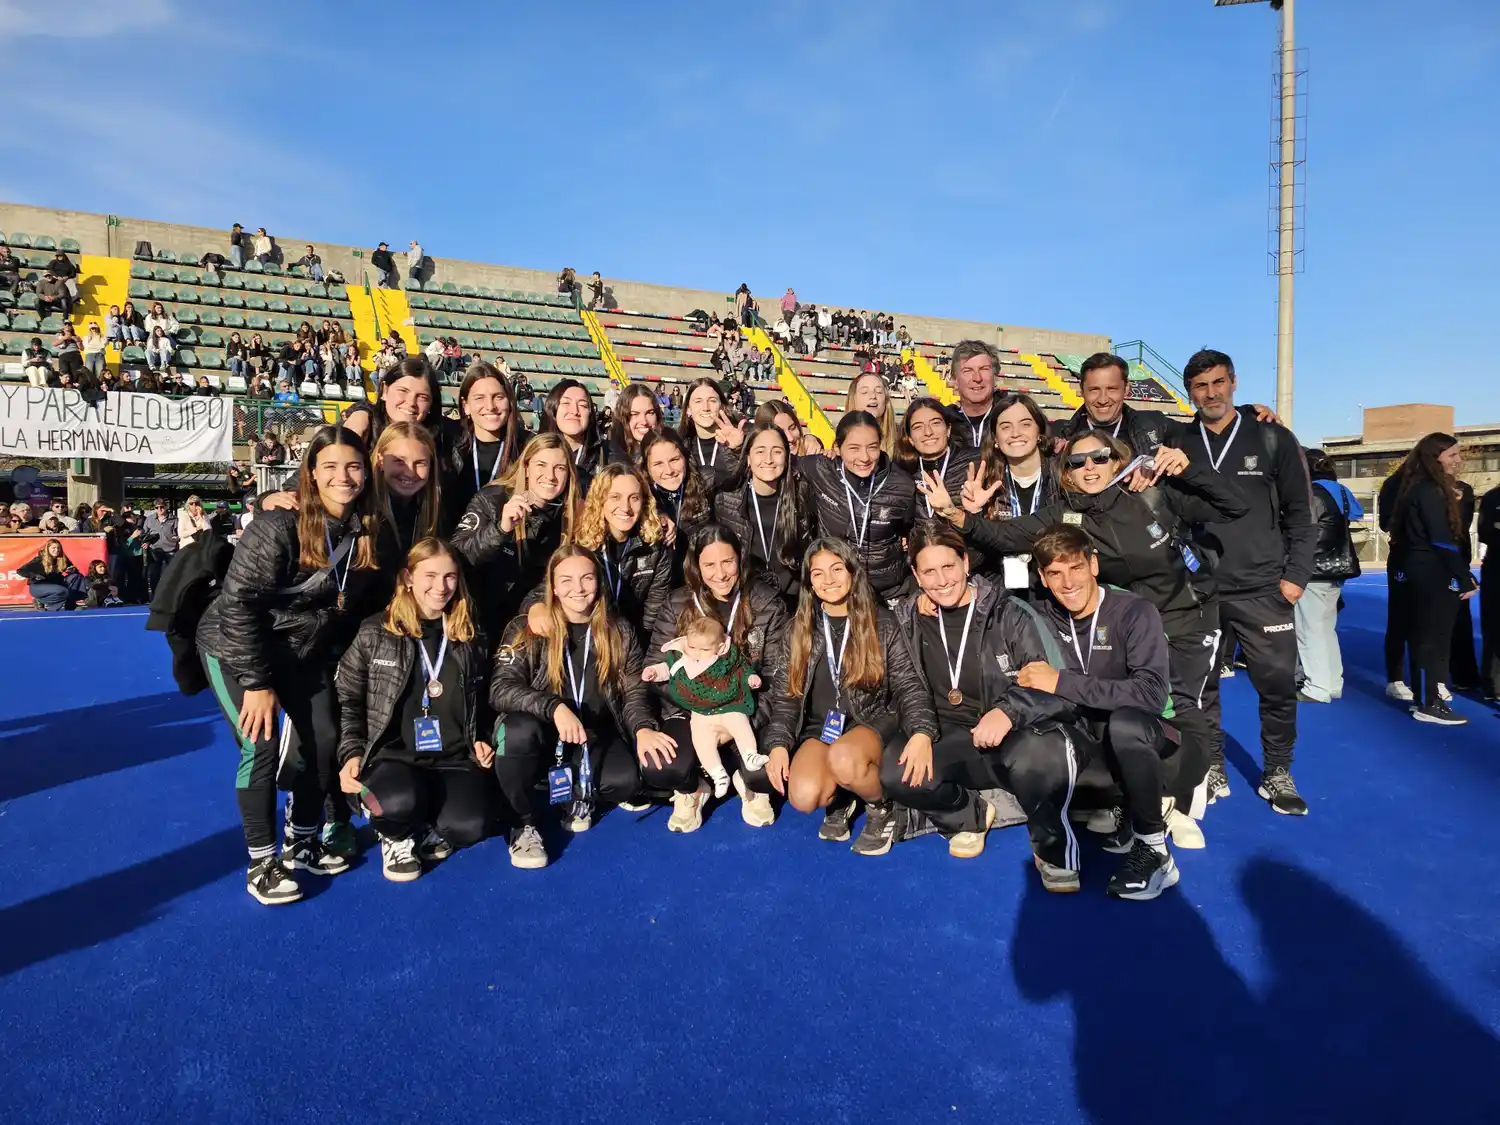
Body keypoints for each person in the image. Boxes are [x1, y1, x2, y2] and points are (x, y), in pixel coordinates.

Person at [937, 430, 1243, 844]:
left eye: (1099, 458)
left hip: (1185, 616)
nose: (1090, 468)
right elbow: (1007, 536)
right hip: (1121, 620)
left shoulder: (1153, 489)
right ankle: (1135, 796)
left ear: (1117, 459)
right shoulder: (1064, 514)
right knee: (1119, 712)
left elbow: (1235, 505)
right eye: (1078, 462)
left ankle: (1182, 794)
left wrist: (1192, 470)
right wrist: (960, 517)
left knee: (1180, 705)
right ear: (1066, 473)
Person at [196, 426, 388, 904]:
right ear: (311, 473)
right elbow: (239, 604)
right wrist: (259, 683)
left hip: (300, 652)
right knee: (259, 744)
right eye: (331, 466)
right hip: (235, 647)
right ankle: (262, 861)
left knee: (322, 738)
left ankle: (302, 838)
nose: (344, 476)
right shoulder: (278, 524)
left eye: (353, 466)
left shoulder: (364, 531)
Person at [889, 521, 1084, 868]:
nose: (942, 579)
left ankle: (1051, 848)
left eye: (949, 566)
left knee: (1044, 752)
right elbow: (905, 685)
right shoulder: (907, 618)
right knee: (896, 773)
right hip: (951, 736)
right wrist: (920, 733)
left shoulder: (1009, 612)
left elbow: (1058, 688)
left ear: (966, 564)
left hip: (1010, 736)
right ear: (917, 578)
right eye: (929, 572)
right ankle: (972, 813)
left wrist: (1008, 711)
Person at [1175, 349, 1314, 815]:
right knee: (1203, 685)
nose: (1210, 393)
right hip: (1200, 589)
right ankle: (1212, 764)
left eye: (1218, 383)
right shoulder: (1177, 441)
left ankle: (1277, 770)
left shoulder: (1271, 436)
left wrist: (1295, 577)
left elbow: (1300, 512)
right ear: (1189, 391)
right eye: (1200, 386)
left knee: (1275, 686)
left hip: (1263, 588)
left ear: (1234, 382)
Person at [1020, 524, 1183, 900]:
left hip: (1156, 736)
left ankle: (1154, 848)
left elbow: (1150, 695)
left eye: (1075, 567)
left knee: (1125, 722)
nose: (1067, 582)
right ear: (1043, 579)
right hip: (1094, 740)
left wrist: (1060, 682)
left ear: (1094, 565)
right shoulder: (1042, 618)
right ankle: (1121, 805)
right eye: (1055, 573)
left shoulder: (1135, 610)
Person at [489, 547, 673, 866]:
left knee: (626, 781)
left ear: (599, 583)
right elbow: (500, 688)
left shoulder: (618, 630)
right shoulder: (527, 627)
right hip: (541, 732)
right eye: (567, 580)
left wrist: (643, 728)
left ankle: (572, 788)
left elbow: (633, 691)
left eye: (587, 578)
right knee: (515, 732)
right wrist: (553, 707)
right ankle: (522, 822)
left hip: (590, 735)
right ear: (554, 587)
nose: (578, 588)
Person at [760, 537, 936, 855]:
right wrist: (778, 744)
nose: (829, 580)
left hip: (869, 720)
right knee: (804, 795)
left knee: (845, 759)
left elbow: (910, 684)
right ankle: (843, 796)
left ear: (853, 572)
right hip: (822, 727)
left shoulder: (881, 622)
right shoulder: (798, 629)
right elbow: (787, 696)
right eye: (818, 573)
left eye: (837, 569)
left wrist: (922, 732)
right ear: (809, 583)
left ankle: (881, 807)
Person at [336, 538, 493, 882]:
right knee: (391, 803)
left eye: (450, 577)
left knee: (471, 826)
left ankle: (430, 822)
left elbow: (484, 698)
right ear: (408, 577)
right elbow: (348, 698)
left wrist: (482, 737)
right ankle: (395, 835)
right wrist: (351, 751)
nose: (441, 587)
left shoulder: (471, 634)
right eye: (430, 575)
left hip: (451, 756)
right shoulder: (375, 631)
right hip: (393, 757)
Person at [644, 524, 788, 829]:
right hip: (691, 712)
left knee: (763, 772)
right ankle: (693, 789)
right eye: (709, 564)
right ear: (696, 566)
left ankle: (748, 783)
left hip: (747, 710)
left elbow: (779, 676)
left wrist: (741, 715)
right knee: (664, 766)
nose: (720, 573)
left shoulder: (767, 604)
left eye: (728, 562)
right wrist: (705, 709)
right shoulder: (677, 604)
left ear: (740, 560)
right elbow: (657, 669)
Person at [453, 432, 581, 640]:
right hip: (477, 621)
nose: (550, 476)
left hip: (527, 627)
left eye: (560, 468)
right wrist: (500, 529)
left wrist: (535, 603)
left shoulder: (571, 515)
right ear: (527, 467)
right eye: (541, 465)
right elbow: (457, 556)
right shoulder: (492, 499)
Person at [1388, 433, 1476, 725]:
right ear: (1434, 456)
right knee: (1431, 637)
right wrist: (1465, 577)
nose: (1457, 460)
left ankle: (1425, 699)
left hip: (1425, 568)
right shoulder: (1427, 490)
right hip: (1430, 571)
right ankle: (1429, 703)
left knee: (1427, 636)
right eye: (1452, 455)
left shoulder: (1422, 488)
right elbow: (1440, 539)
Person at [798, 410, 918, 606]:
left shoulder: (902, 485)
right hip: (834, 590)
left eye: (872, 447)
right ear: (837, 448)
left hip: (886, 592)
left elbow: (912, 530)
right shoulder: (821, 469)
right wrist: (810, 437)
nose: (864, 457)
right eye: (853, 448)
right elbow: (776, 461)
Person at [643, 615, 762, 798]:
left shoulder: (729, 658)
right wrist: (654, 672)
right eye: (691, 647)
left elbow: (743, 671)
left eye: (704, 649)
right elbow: (669, 668)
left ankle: (750, 755)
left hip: (729, 706)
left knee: (740, 724)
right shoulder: (682, 657)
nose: (696, 653)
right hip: (700, 713)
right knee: (701, 740)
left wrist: (751, 679)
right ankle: (717, 774)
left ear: (720, 647)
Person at [711, 421, 814, 607]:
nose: (768, 459)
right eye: (760, 451)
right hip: (746, 602)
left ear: (787, 457)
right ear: (748, 458)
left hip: (794, 604)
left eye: (777, 451)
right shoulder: (726, 501)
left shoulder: (803, 497)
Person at [1297, 448, 1362, 705]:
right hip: (1335, 569)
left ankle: (1317, 687)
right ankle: (1333, 683)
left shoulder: (1311, 494)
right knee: (1325, 629)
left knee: (1309, 631)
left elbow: (1308, 534)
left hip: (1313, 570)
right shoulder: (1340, 492)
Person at [444, 363, 528, 526]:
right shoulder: (446, 441)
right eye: (479, 398)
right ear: (465, 405)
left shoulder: (527, 447)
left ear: (509, 402)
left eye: (498, 397)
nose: (490, 406)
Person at [1053, 352, 1170, 454]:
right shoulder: (1057, 433)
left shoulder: (1157, 425)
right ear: (1082, 391)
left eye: (1111, 389)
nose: (1103, 400)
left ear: (1126, 389)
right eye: (1094, 389)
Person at [895, 397, 978, 519]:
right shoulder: (902, 472)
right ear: (910, 439)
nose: (928, 432)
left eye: (935, 423)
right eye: (918, 427)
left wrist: (978, 511)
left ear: (948, 430)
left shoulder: (975, 463)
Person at [373, 421, 442, 556]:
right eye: (400, 461)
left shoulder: (437, 508)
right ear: (381, 461)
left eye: (420, 463)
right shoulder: (364, 512)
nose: (410, 472)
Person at [539, 378, 607, 495]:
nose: (575, 411)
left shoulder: (608, 455)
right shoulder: (532, 452)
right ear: (553, 408)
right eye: (566, 403)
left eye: (582, 405)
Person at [677, 377, 745, 487]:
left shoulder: (740, 442)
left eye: (712, 400)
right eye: (698, 401)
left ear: (722, 406)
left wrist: (739, 450)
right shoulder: (679, 448)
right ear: (688, 409)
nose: (705, 407)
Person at [946, 340, 1003, 449]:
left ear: (995, 377)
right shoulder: (943, 423)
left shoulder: (1015, 419)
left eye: (984, 369)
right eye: (968, 371)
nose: (977, 378)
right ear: (955, 381)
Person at [1478, 482, 1500, 701]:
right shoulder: (1493, 497)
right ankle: (1493, 684)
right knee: (1494, 625)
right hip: (1496, 569)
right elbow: (1485, 533)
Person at [606, 383, 664, 464]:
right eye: (635, 414)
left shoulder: (672, 452)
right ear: (623, 417)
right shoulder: (607, 456)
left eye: (650, 413)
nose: (644, 421)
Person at [18, 538, 81, 611]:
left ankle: (70, 604)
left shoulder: (62, 558)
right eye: (53, 548)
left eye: (58, 548)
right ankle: (40, 601)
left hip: (55, 584)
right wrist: (34, 576)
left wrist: (72, 570)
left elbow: (74, 570)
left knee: (76, 577)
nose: (56, 550)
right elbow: (20, 571)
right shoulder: (39, 559)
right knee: (63, 591)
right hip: (39, 586)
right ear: (48, 549)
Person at [845, 372, 897, 457]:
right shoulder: (840, 440)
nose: (873, 396)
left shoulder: (902, 440)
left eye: (879, 392)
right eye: (865, 392)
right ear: (852, 398)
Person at [142, 497, 180, 594]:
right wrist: (146, 542)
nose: (159, 509)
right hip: (155, 550)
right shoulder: (149, 519)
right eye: (157, 507)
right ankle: (154, 596)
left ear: (166, 507)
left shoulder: (174, 519)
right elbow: (144, 534)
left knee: (172, 574)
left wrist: (178, 537)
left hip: (171, 549)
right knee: (154, 575)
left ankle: (171, 595)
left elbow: (180, 532)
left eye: (162, 507)